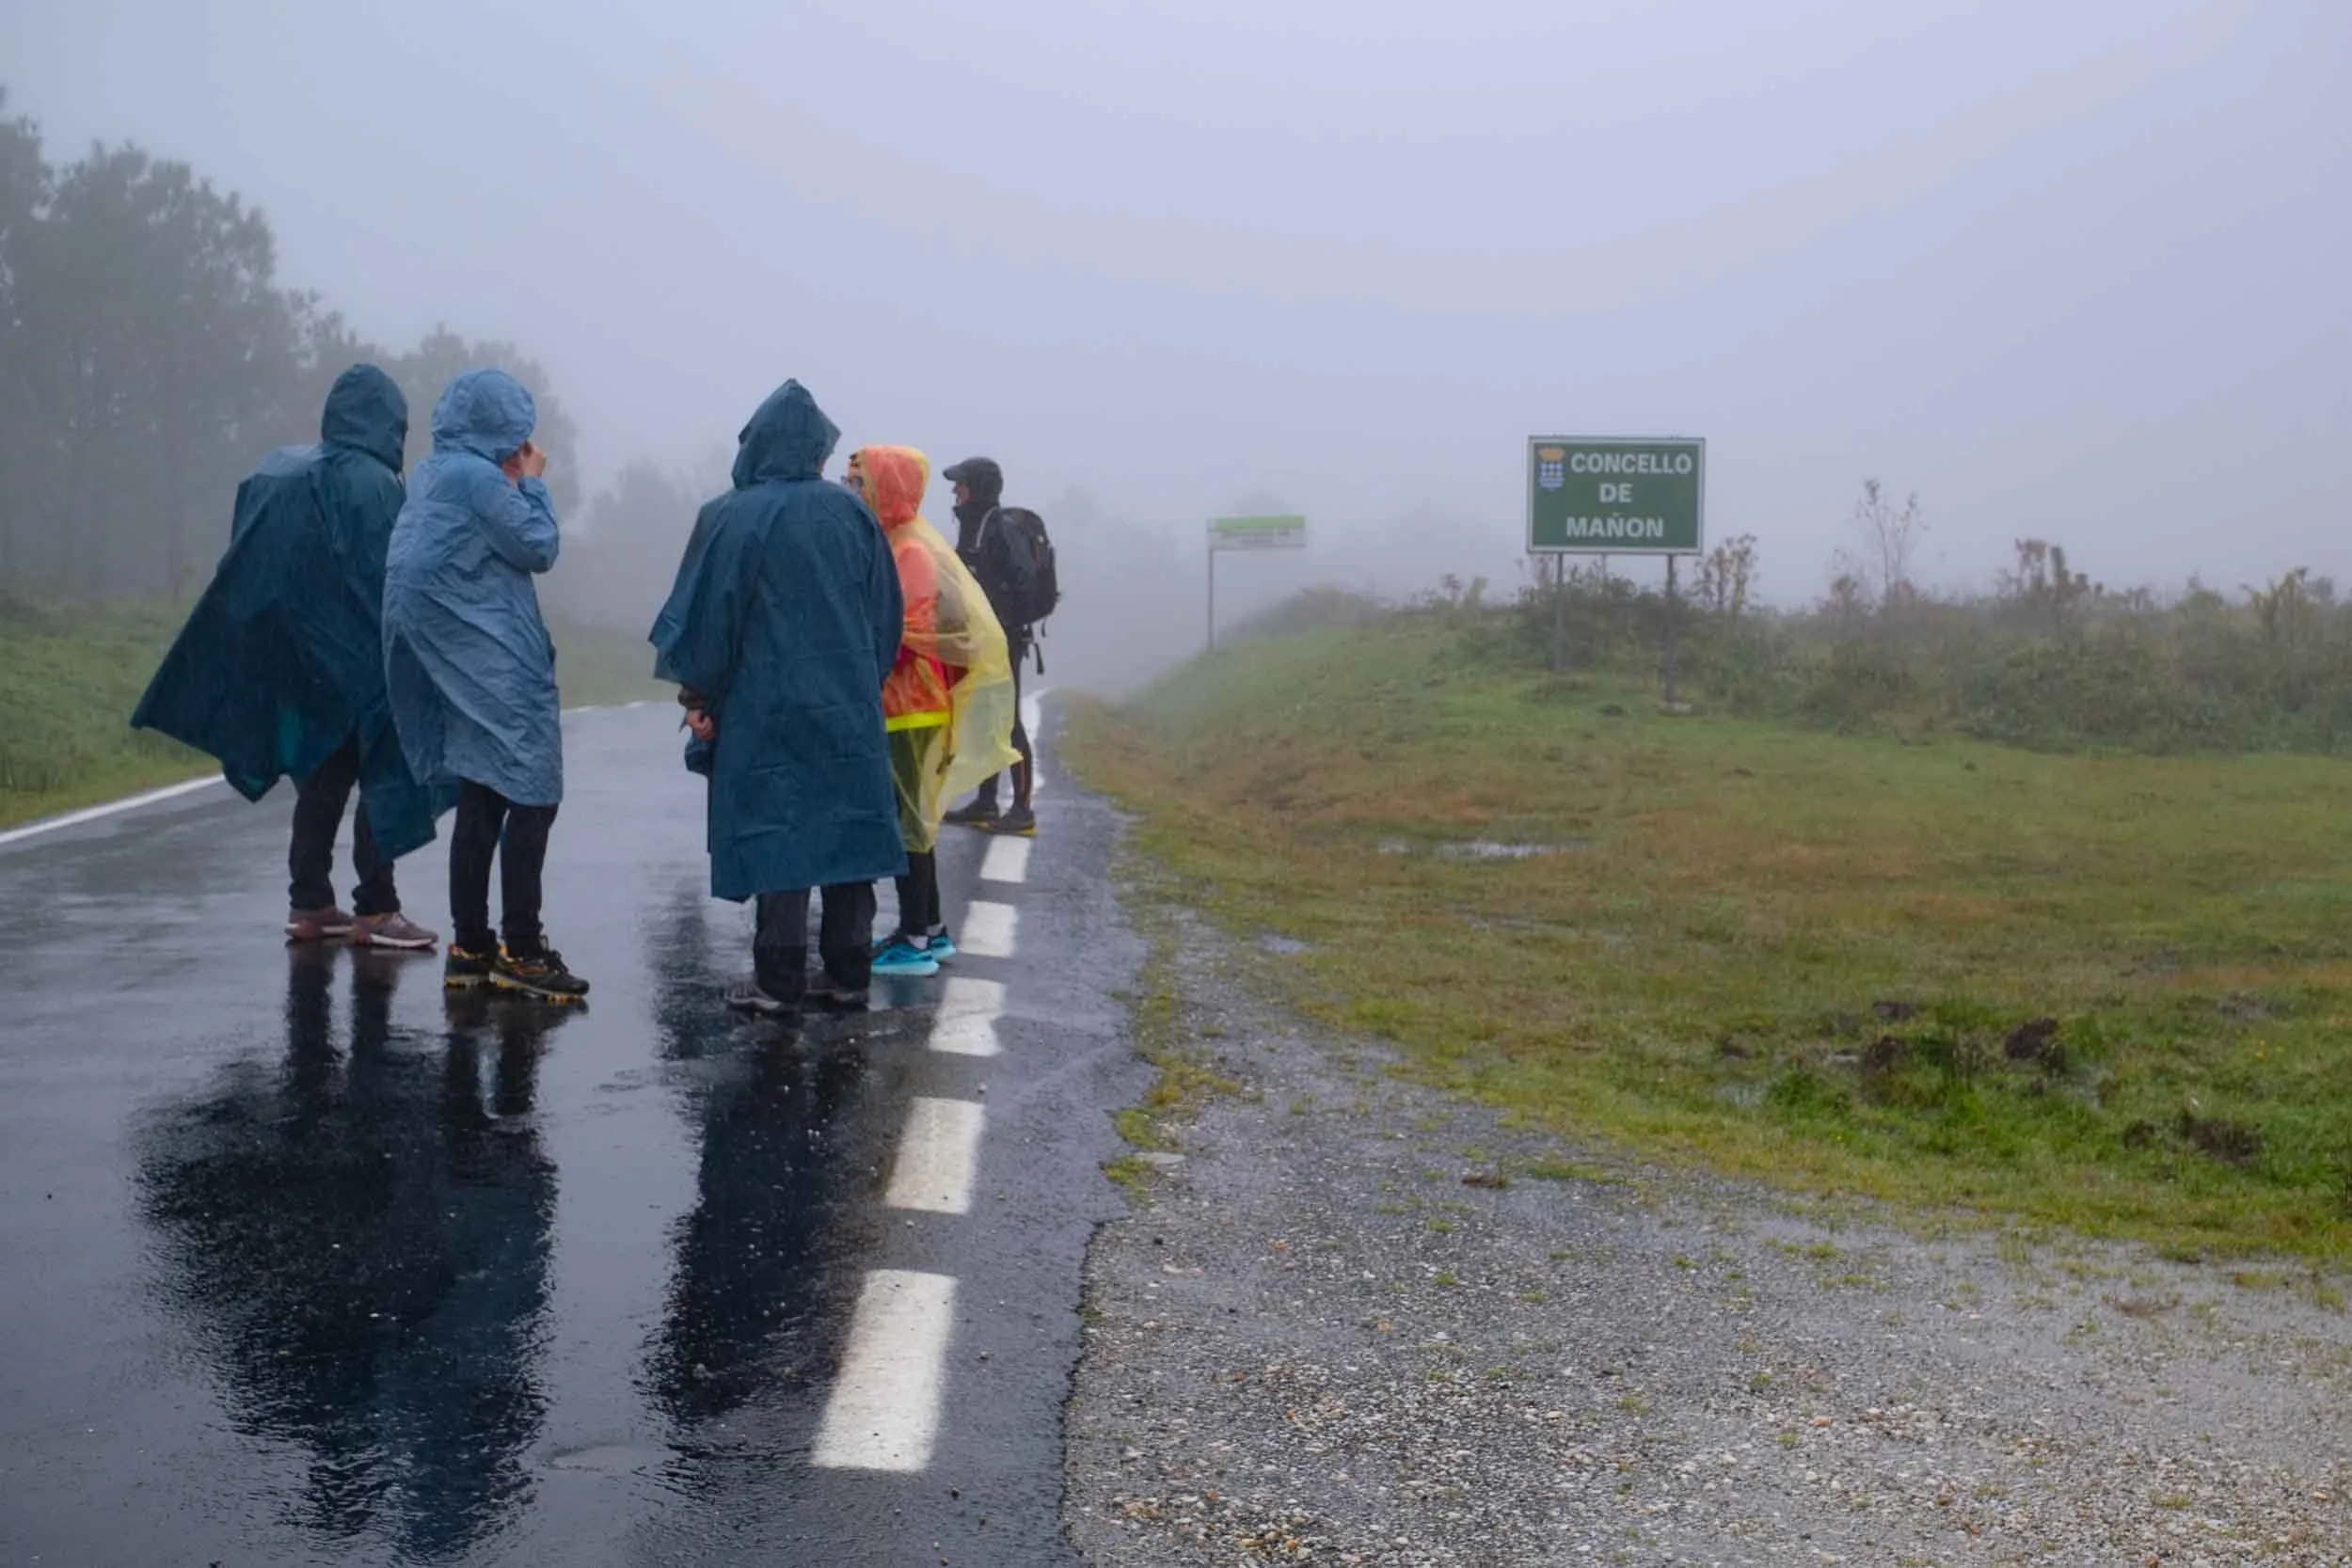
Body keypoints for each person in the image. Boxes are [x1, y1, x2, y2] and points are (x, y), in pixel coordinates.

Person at [132, 364, 446, 950]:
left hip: (306, 665)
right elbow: (392, 576)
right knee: (383, 777)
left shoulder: (282, 474)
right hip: (365, 664)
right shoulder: (374, 484)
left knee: (321, 785)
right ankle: (377, 909)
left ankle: (310, 904)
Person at [649, 381, 906, 1022]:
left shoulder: (732, 515)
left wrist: (699, 694)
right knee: (849, 832)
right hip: (846, 705)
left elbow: (709, 618)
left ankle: (778, 981)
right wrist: (861, 681)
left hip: (765, 707)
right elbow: (885, 614)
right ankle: (849, 976)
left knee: (780, 832)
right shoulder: (853, 516)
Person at [383, 369, 587, 1002]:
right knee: (531, 793)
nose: (523, 443)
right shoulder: (476, 478)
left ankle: (471, 946)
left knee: (483, 791)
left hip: (450, 649)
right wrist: (532, 482)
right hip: (491, 653)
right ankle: (522, 952)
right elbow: (538, 545)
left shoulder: (431, 472)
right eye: (518, 433)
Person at [844, 446, 1021, 978]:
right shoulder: (898, 542)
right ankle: (929, 927)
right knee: (913, 821)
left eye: (860, 483)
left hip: (910, 707)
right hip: (905, 706)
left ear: (887, 488)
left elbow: (905, 632)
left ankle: (917, 938)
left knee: (908, 826)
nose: (853, 493)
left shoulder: (911, 552)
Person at [940, 456, 1041, 836]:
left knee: (1008, 721)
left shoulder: (998, 529)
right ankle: (986, 802)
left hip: (1003, 642)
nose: (954, 490)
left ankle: (1023, 809)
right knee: (987, 721)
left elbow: (1021, 581)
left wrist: (1002, 625)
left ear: (978, 488)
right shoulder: (975, 527)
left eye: (960, 484)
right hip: (982, 641)